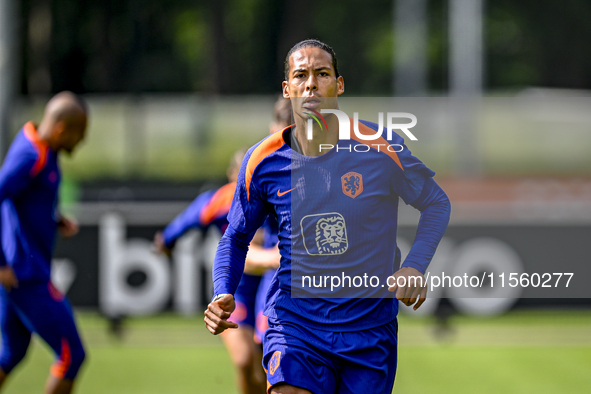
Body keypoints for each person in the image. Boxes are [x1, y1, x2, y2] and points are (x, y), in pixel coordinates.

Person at [204, 39, 451, 394]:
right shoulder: (261, 161)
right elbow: (236, 236)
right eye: (301, 75)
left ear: (339, 84)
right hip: (295, 323)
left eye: (322, 74)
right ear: (288, 89)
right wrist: (222, 290)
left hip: (368, 329)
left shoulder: (380, 147)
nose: (311, 84)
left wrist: (415, 265)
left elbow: (436, 203)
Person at [153, 147, 282, 394]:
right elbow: (186, 221)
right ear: (234, 174)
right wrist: (167, 240)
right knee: (245, 361)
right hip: (238, 292)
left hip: (269, 289)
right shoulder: (222, 200)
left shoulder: (275, 195)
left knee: (269, 367)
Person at [0, 92, 88, 394]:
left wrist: (54, 217)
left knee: (10, 355)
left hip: (20, 273)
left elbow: (20, 199)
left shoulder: (39, 146)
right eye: (80, 135)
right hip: (25, 275)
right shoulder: (32, 155)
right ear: (62, 129)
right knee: (72, 355)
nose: (81, 143)